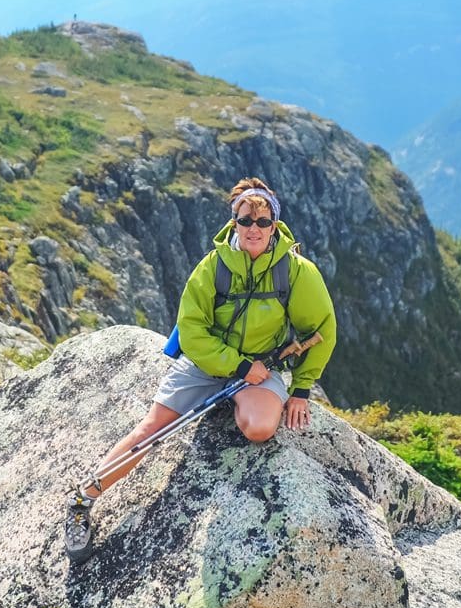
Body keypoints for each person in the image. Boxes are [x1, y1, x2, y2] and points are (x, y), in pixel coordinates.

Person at [64, 177, 337, 562]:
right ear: (234, 222)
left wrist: (302, 388)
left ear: (275, 224)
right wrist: (239, 366)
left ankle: (237, 401)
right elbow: (191, 330)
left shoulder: (295, 271)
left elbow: (320, 329)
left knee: (259, 428)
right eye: (246, 221)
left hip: (261, 366)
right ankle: (83, 499)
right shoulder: (213, 267)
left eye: (262, 222)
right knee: (152, 427)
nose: (254, 229)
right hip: (212, 363)